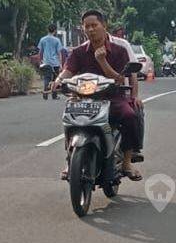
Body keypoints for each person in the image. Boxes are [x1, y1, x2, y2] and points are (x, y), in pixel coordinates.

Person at [52, 10, 144, 182]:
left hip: (113, 97)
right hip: (84, 97)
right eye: (87, 26)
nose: (91, 29)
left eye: (94, 25)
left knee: (130, 116)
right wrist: (58, 81)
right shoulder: (78, 52)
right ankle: (70, 160)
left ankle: (126, 162)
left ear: (104, 26)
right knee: (69, 119)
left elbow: (119, 79)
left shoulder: (119, 50)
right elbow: (68, 71)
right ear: (83, 29)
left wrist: (102, 61)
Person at [38, 24, 64, 100]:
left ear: (48, 30)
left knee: (47, 78)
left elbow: (40, 52)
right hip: (55, 62)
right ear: (55, 31)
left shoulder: (43, 39)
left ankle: (45, 94)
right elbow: (59, 53)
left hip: (46, 62)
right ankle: (54, 95)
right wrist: (61, 64)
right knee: (55, 79)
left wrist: (40, 61)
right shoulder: (57, 40)